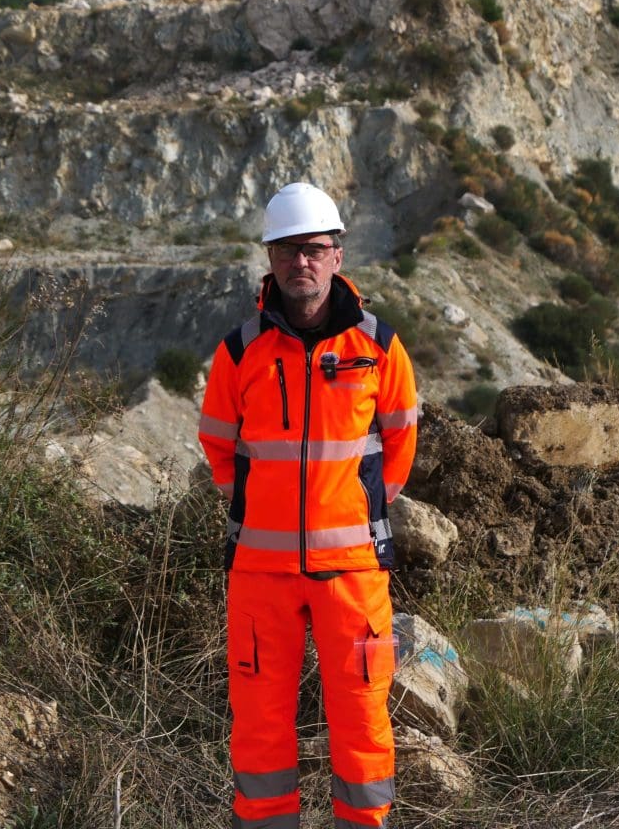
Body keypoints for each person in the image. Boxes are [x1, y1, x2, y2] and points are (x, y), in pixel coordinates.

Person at [198, 182, 418, 829]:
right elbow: (217, 445)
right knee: (260, 723)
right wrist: (256, 512)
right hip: (261, 575)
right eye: (289, 250)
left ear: (338, 256)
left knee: (362, 717)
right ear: (270, 258)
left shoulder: (378, 348)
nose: (303, 262)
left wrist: (362, 508)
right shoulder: (239, 351)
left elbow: (402, 437)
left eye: (315, 250)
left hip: (353, 571)